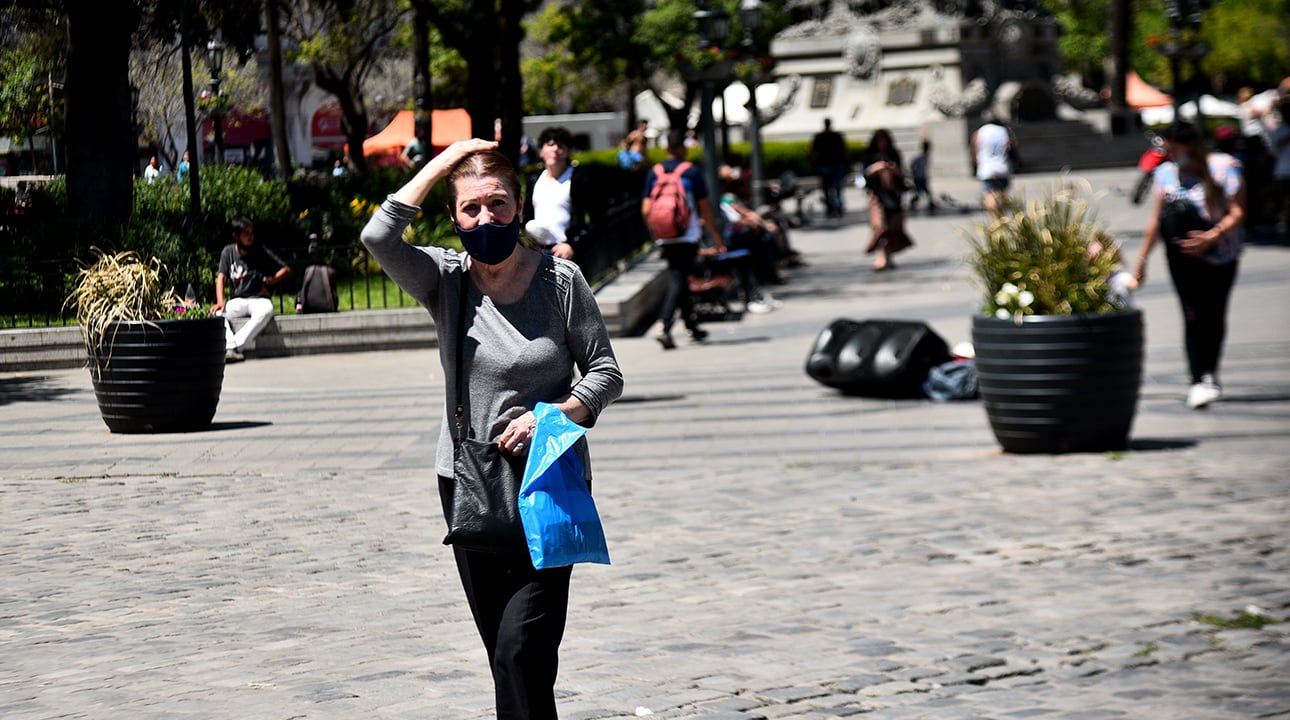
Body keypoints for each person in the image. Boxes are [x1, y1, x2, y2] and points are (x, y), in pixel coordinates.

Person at [359, 137, 623, 720]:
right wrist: (442, 163)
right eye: (470, 208)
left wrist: (548, 416)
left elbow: (606, 374)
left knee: (520, 649)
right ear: (453, 216)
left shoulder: (561, 281)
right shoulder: (444, 280)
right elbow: (377, 236)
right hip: (469, 482)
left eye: (498, 203)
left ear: (520, 205)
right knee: (509, 662)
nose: (486, 218)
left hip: (548, 483)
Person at [1135, 120, 1246, 410]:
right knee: (1192, 314)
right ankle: (1198, 379)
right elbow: (1155, 221)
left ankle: (1211, 371)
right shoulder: (1166, 174)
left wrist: (1212, 236)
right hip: (1181, 257)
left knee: (1214, 313)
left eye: (1175, 150)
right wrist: (1142, 261)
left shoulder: (1223, 167)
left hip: (1219, 255)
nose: (1173, 156)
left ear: (1192, 145)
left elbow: (1239, 211)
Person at [642, 129, 723, 350]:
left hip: (665, 236)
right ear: (684, 149)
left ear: (667, 149)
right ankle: (665, 324)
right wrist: (716, 237)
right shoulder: (691, 172)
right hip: (687, 235)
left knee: (681, 276)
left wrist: (656, 235)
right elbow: (704, 207)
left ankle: (691, 325)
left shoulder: (655, 172)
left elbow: (646, 208)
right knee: (679, 277)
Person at [213, 217, 291, 362]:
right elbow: (221, 278)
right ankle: (231, 346)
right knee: (217, 314)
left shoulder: (259, 250)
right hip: (238, 300)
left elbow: (285, 269)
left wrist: (271, 281)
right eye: (246, 233)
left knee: (267, 310)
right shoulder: (228, 252)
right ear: (236, 236)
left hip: (259, 298)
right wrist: (220, 301)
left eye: (252, 232)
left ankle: (234, 347)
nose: (251, 236)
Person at [523, 126, 589, 261]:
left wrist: (573, 245)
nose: (555, 150)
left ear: (568, 151)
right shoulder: (534, 180)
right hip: (537, 253)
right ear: (541, 151)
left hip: (565, 253)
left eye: (560, 145)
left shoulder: (577, 179)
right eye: (550, 144)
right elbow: (526, 214)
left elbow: (596, 220)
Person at [860, 129, 913, 272]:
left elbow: (902, 174)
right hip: (877, 196)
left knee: (892, 229)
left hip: (894, 197)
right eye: (879, 141)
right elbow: (864, 174)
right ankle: (881, 257)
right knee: (880, 228)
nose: (882, 144)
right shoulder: (869, 156)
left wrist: (894, 169)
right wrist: (876, 168)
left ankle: (887, 256)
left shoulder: (893, 154)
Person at [972, 113, 1018, 215]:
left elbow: (974, 150)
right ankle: (1002, 217)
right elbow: (1013, 147)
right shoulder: (1004, 131)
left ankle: (995, 220)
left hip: (987, 168)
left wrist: (975, 164)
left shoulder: (980, 132)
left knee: (990, 194)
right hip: (1003, 166)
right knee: (1002, 194)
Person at [810, 118, 848, 218]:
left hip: (831, 164)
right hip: (830, 164)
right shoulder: (833, 136)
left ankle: (834, 206)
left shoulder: (822, 136)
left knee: (832, 187)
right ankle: (835, 206)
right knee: (834, 187)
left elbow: (814, 153)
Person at [908, 139, 936, 213]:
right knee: (919, 192)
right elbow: (912, 165)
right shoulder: (919, 157)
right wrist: (913, 174)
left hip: (923, 177)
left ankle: (931, 203)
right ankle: (913, 202)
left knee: (925, 191)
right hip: (918, 177)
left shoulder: (926, 157)